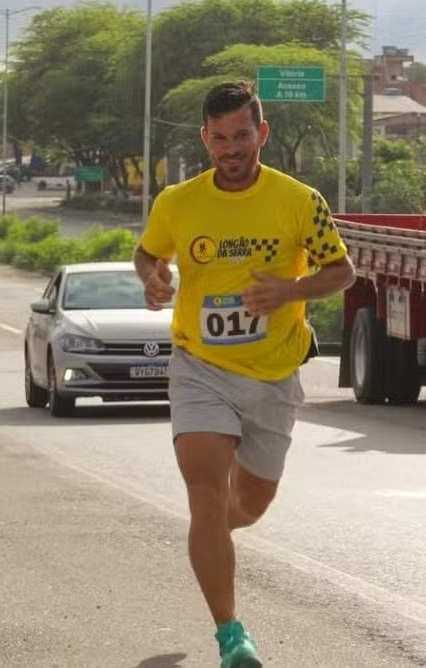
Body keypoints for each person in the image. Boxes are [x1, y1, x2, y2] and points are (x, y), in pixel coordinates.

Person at [133, 81, 355, 668]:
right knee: (205, 495)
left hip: (274, 375)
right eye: (220, 138)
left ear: (263, 133)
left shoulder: (299, 200)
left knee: (248, 507)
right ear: (204, 139)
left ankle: (212, 542)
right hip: (200, 367)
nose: (231, 149)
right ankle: (232, 637)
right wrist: (152, 276)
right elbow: (148, 252)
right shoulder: (177, 202)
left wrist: (291, 289)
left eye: (242, 135)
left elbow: (343, 271)